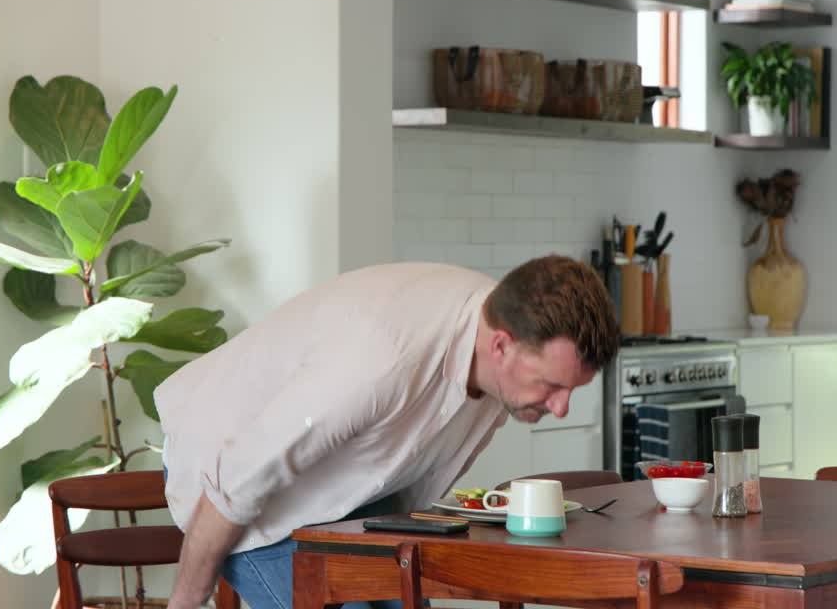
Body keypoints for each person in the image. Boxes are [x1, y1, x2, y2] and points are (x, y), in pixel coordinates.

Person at [156, 255, 619, 609]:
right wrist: (186, 601)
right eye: (552, 386)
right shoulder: (379, 365)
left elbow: (413, 475)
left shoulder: (499, 348)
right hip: (239, 485)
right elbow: (236, 479)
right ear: (502, 345)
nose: (561, 408)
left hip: (344, 495)